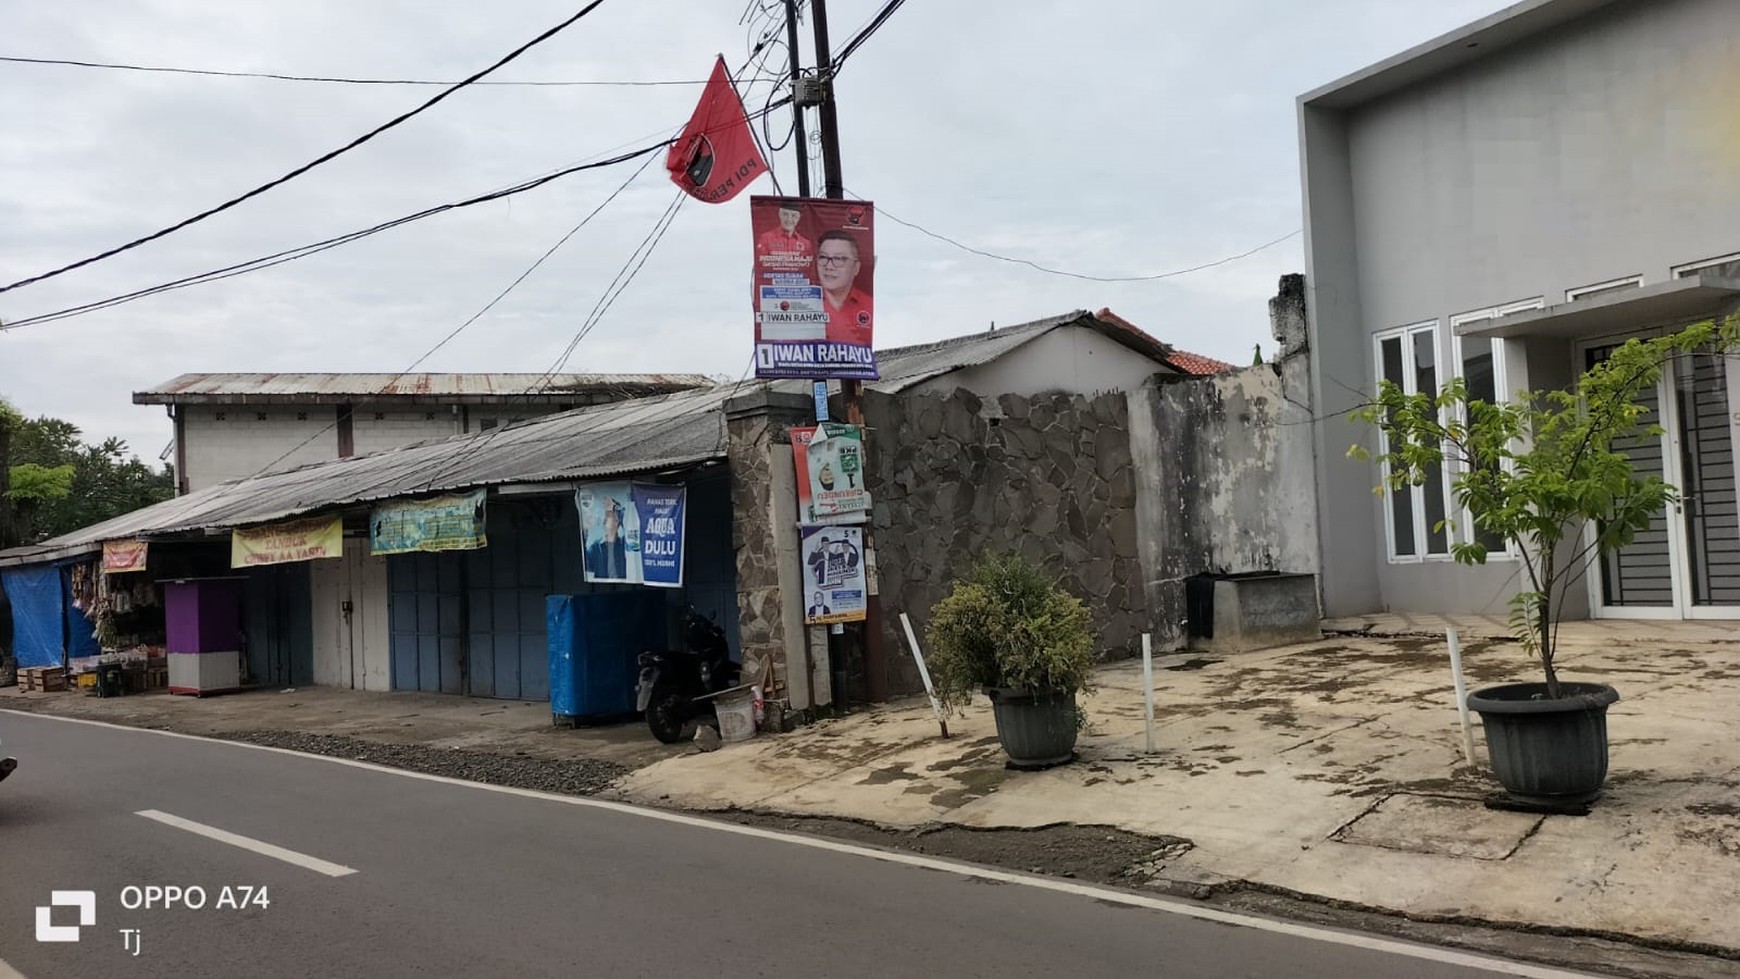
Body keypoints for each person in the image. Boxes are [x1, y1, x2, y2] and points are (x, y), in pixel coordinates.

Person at [816, 230, 872, 345]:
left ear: (856, 267)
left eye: (839, 259)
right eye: (823, 257)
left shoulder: (868, 305)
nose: (829, 266)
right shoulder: (803, 303)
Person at [584, 499, 628, 579]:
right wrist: (585, 529)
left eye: (608, 515)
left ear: (617, 520)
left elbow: (628, 523)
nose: (604, 518)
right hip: (603, 588)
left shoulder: (624, 545)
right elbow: (585, 563)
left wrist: (615, 507)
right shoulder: (595, 547)